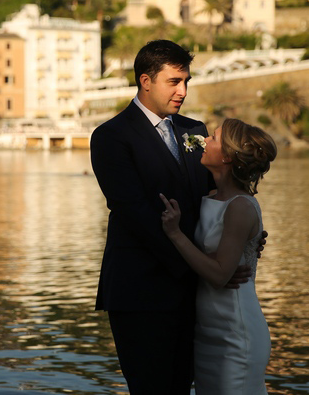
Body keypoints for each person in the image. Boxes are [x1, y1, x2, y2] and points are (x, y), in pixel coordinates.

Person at [90, 40, 264, 394]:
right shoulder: (111, 137)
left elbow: (212, 200)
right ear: (146, 81)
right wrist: (210, 272)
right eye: (174, 82)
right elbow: (136, 215)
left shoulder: (194, 131)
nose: (183, 91)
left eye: (187, 81)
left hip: (195, 296)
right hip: (141, 293)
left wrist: (243, 237)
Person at [160, 118, 277, 394]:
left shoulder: (240, 207)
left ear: (226, 156)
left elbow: (219, 275)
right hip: (208, 331)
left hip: (236, 333)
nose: (205, 140)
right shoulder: (209, 198)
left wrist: (175, 234)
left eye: (213, 138)